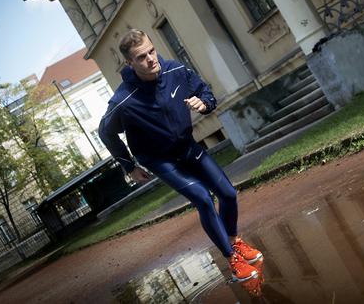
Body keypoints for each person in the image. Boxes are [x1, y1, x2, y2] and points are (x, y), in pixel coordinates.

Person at [99, 29, 262, 282]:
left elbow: (205, 91)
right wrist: (128, 166)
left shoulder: (175, 70)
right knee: (203, 198)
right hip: (159, 160)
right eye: (141, 57)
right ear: (129, 63)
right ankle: (232, 259)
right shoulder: (124, 100)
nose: (151, 59)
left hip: (186, 146)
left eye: (151, 51)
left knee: (228, 194)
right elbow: (105, 132)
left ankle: (233, 241)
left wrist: (204, 103)